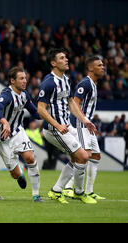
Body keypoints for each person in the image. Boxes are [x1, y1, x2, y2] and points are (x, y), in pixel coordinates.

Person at [37, 48, 97, 204]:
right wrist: (57, 125)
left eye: (66, 57)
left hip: (66, 126)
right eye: (62, 58)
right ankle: (79, 192)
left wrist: (84, 120)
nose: (66, 60)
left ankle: (57, 190)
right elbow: (40, 109)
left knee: (78, 157)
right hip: (54, 129)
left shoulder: (67, 80)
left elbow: (71, 102)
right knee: (83, 156)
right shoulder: (49, 82)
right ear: (53, 63)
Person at [0, 66, 43, 202]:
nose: (25, 81)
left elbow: (36, 113)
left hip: (18, 131)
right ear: (12, 81)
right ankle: (19, 172)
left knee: (30, 158)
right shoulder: (7, 94)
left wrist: (47, 112)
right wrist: (5, 122)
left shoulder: (25, 95)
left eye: (25, 78)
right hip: (2, 136)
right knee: (14, 174)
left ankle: (36, 195)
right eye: (21, 78)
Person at [63, 56, 106, 200]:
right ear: (90, 68)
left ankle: (89, 191)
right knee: (83, 156)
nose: (103, 67)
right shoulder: (85, 83)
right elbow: (75, 103)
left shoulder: (93, 84)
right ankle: (68, 187)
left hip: (88, 125)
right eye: (99, 65)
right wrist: (85, 121)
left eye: (103, 65)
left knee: (95, 156)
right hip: (81, 125)